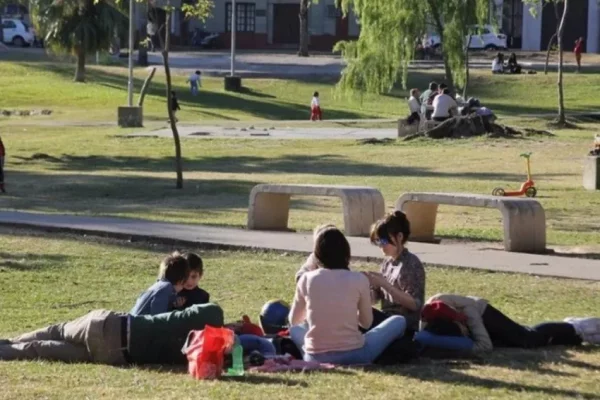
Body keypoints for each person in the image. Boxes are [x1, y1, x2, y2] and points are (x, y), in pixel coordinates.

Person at [289, 227, 406, 365]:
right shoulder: (359, 279)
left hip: (315, 357)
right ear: (346, 252)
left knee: (295, 330)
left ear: (317, 254)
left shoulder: (306, 278)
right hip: (356, 354)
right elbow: (366, 322)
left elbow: (294, 320)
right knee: (399, 321)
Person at [0, 304, 224, 364]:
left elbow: (213, 311)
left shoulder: (182, 320)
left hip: (110, 325)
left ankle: (8, 342)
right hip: (113, 354)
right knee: (41, 350)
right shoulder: (187, 354)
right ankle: (6, 350)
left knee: (55, 331)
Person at [421, 294, 600, 354]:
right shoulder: (430, 320)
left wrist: (469, 342)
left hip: (484, 314)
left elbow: (485, 345)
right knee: (515, 341)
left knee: (527, 338)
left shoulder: (468, 313)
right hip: (472, 319)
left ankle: (577, 326)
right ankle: (578, 336)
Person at [366, 211, 425, 333]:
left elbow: (414, 304)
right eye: (377, 241)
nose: (380, 245)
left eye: (383, 241)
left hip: (404, 326)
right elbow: (375, 298)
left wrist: (384, 284)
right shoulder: (387, 263)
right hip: (387, 320)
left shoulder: (411, 264)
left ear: (399, 237)